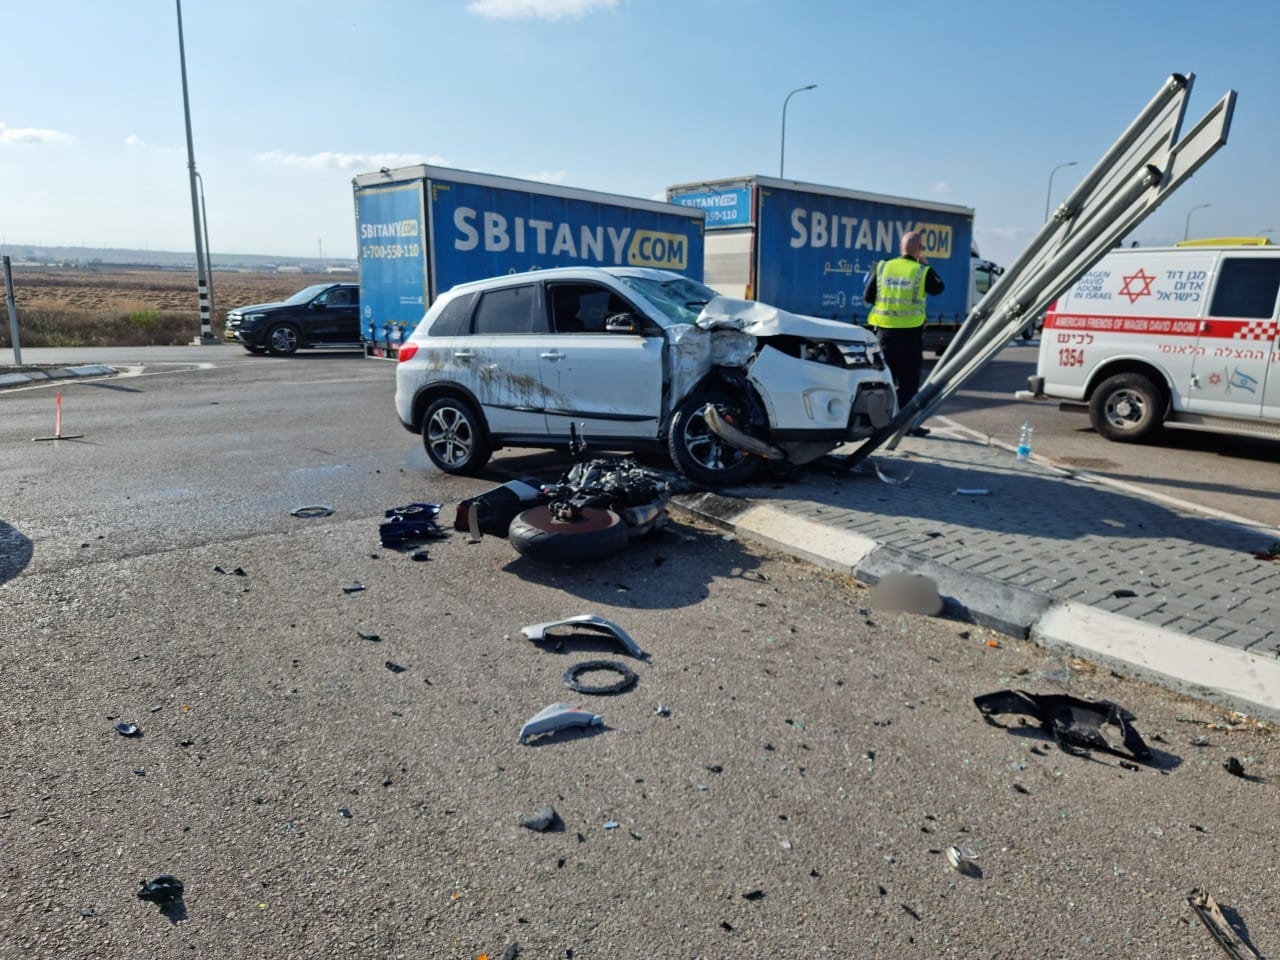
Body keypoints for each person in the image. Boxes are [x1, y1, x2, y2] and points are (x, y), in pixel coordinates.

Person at [864, 230, 945, 437]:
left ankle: (877, 426)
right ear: (919, 249)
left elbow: (868, 296)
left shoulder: (883, 267)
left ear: (900, 248)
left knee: (883, 382)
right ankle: (906, 427)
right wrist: (925, 263)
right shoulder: (921, 270)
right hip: (910, 338)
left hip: (884, 336)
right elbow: (939, 288)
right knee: (908, 386)